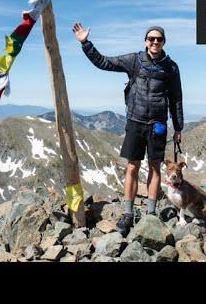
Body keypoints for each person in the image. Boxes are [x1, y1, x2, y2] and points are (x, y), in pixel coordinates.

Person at [72, 22, 183, 236]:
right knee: (132, 167)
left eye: (159, 39)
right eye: (151, 39)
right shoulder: (134, 60)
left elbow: (176, 99)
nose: (155, 42)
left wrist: (178, 126)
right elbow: (104, 62)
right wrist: (85, 43)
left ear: (164, 42)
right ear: (145, 41)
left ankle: (150, 214)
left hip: (158, 124)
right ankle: (128, 214)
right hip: (135, 121)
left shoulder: (171, 67)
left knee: (154, 167)